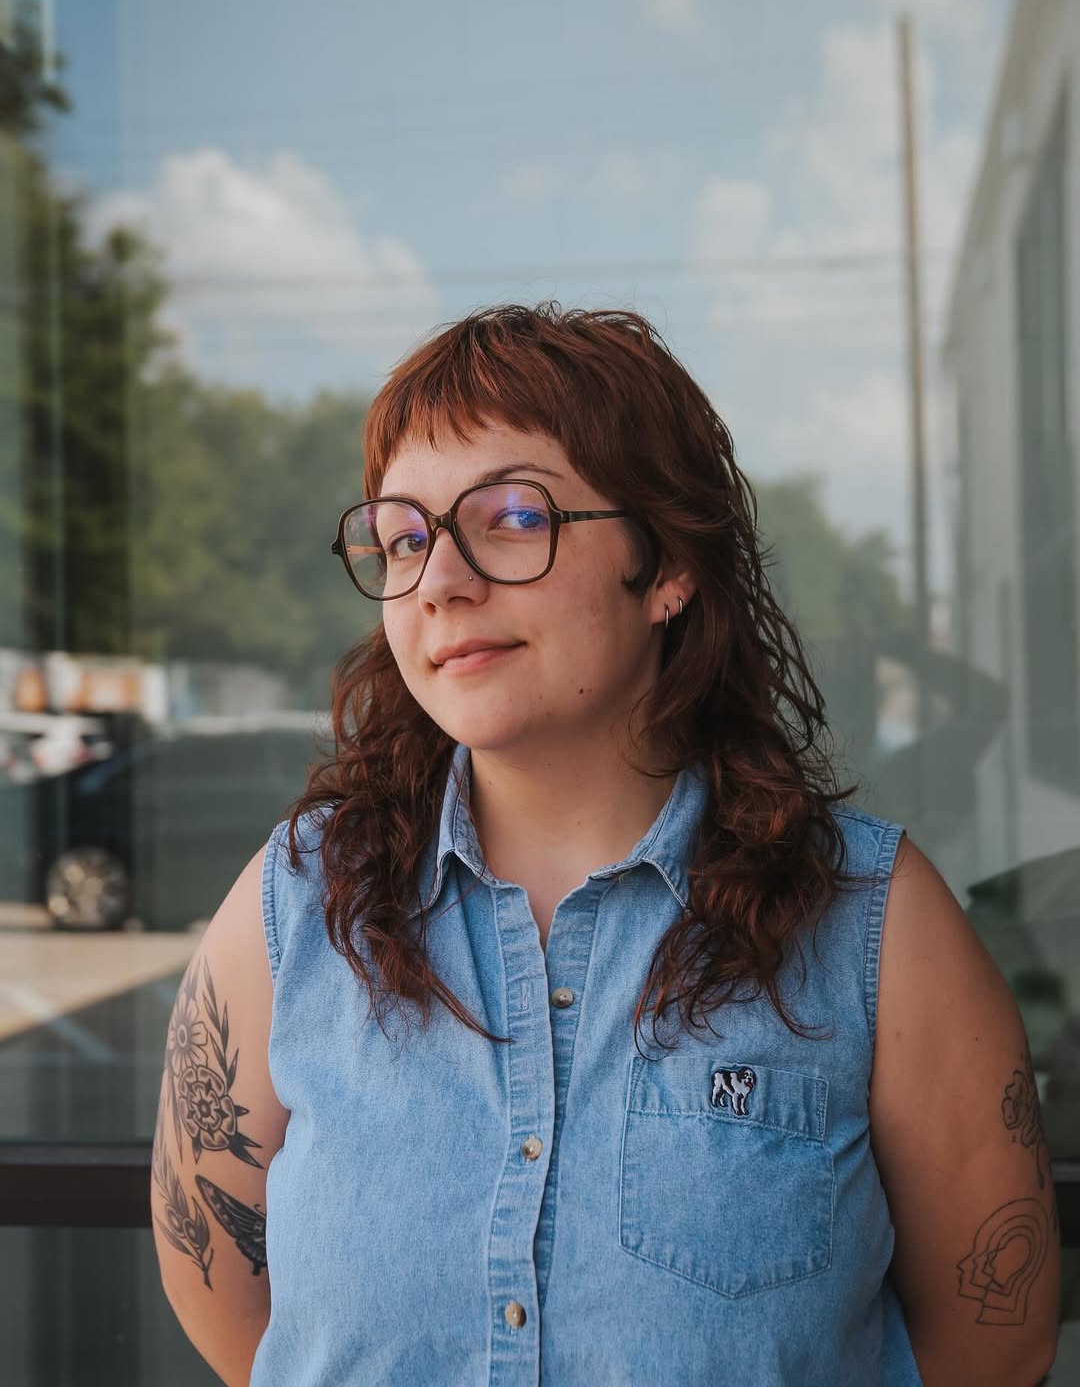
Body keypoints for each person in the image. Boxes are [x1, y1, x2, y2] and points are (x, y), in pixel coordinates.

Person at [152, 304, 1060, 1386]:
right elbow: (221, 1290)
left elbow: (989, 1345)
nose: (440, 580)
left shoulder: (871, 919)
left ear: (668, 563)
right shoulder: (296, 907)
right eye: (404, 536)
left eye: (511, 517)